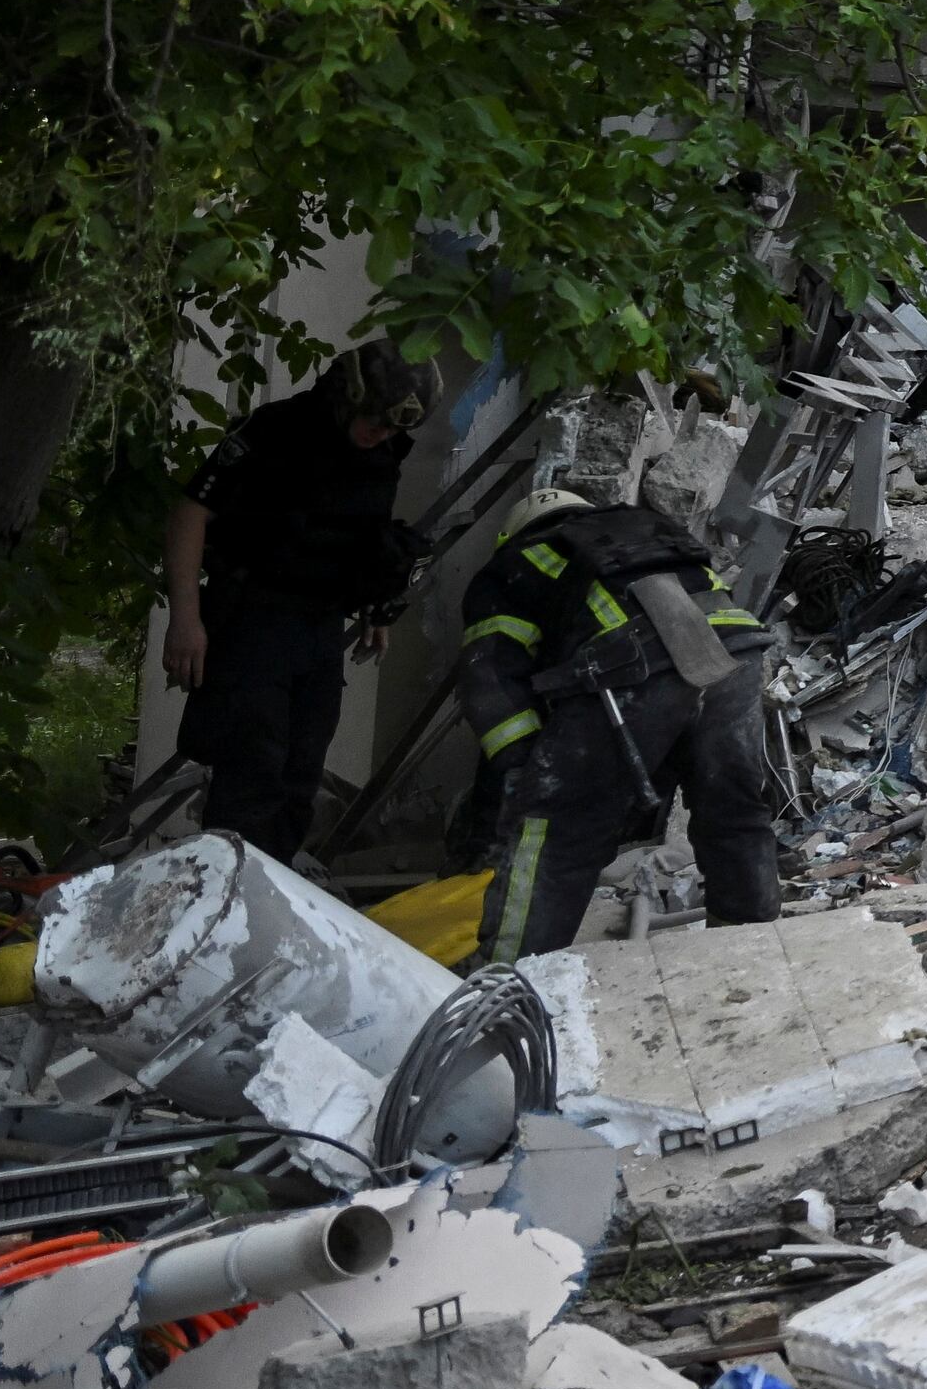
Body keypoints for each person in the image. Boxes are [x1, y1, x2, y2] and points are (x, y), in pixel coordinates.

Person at [452, 492, 786, 964]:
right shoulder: (645, 528)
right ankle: (749, 954)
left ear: (514, 534)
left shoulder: (515, 563)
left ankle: (507, 978)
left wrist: (522, 769)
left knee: (554, 833)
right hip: (736, 653)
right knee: (734, 812)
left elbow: (489, 679)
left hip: (629, 668)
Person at [163, 343, 424, 859]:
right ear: (346, 398)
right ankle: (227, 906)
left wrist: (376, 606)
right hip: (253, 621)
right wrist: (186, 618)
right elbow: (191, 513)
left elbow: (364, 535)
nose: (379, 434)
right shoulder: (276, 430)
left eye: (392, 429)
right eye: (373, 420)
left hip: (318, 630)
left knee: (299, 778)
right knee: (251, 777)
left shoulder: (381, 455)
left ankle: (266, 902)